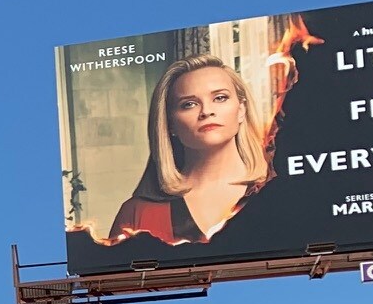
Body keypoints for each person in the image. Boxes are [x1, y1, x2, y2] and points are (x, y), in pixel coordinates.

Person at [105, 55, 271, 247]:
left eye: (220, 98)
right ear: (170, 124)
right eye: (189, 104)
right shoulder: (137, 214)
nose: (206, 111)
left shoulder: (277, 189)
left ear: (241, 110)